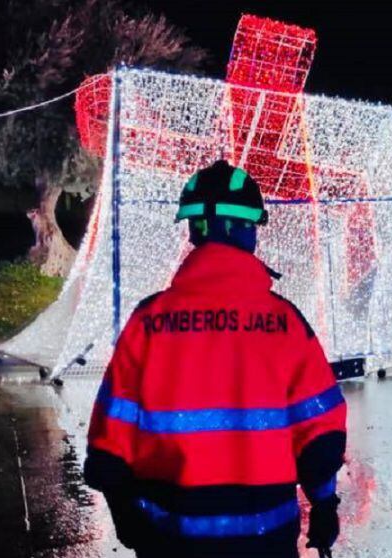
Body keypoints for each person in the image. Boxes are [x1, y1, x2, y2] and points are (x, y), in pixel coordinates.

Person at [84, 160, 346, 558]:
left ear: (194, 230)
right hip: (267, 540)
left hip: (169, 539)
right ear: (242, 229)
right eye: (253, 226)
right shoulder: (287, 324)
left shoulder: (148, 323)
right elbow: (319, 434)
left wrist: (124, 513)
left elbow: (110, 441)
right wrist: (325, 505)